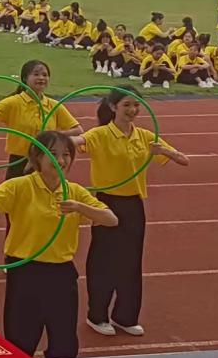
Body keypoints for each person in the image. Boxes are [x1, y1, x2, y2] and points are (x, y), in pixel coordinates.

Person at [0, 131, 117, 358]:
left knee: (65, 345)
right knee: (20, 341)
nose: (60, 160)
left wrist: (79, 207)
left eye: (66, 154)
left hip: (61, 274)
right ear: (38, 157)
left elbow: (111, 219)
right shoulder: (19, 186)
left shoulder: (75, 192)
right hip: (25, 272)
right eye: (53, 154)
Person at [66, 87, 190, 338]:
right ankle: (97, 315)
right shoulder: (101, 134)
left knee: (131, 262)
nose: (132, 110)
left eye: (136, 105)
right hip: (105, 203)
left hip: (134, 205)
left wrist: (163, 151)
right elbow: (77, 142)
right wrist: (53, 140)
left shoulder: (144, 136)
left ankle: (125, 316)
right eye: (126, 105)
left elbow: (184, 160)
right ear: (113, 107)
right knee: (103, 261)